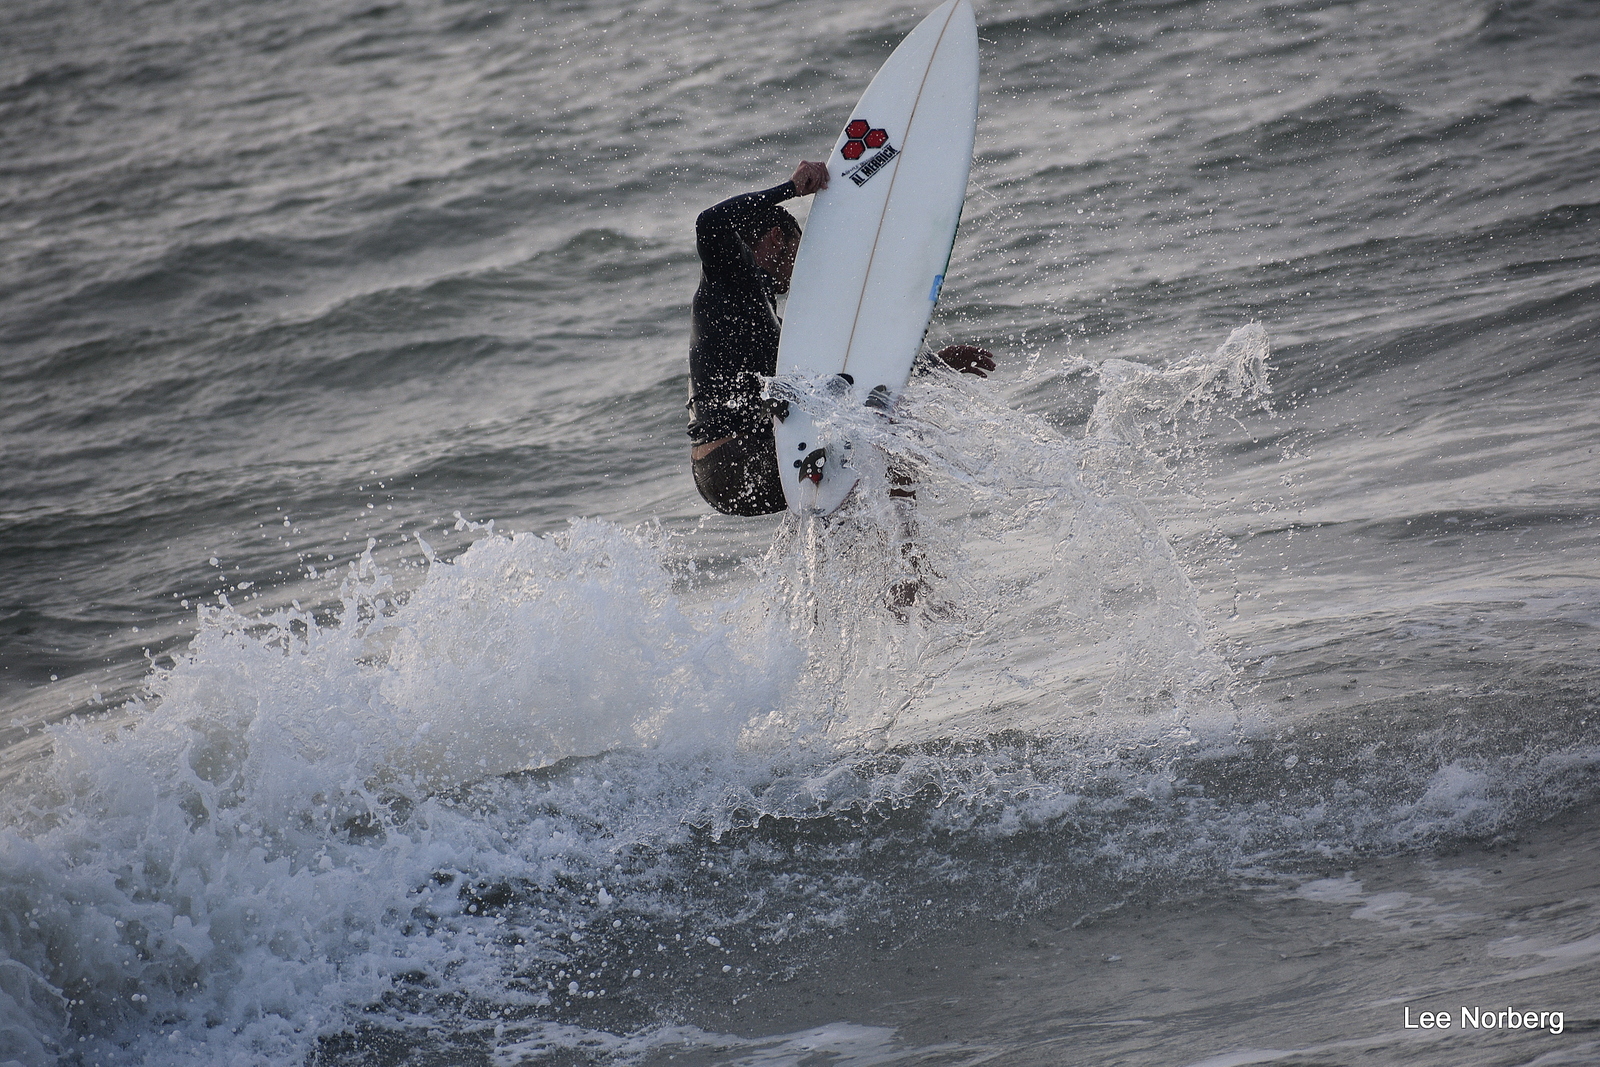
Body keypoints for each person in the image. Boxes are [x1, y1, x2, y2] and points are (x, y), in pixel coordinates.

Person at [687, 160, 995, 517]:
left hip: (727, 473)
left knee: (842, 479)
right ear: (776, 238)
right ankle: (911, 567)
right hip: (736, 460)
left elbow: (848, 377)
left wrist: (933, 365)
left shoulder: (763, 315)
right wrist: (790, 190)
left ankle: (844, 565)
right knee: (890, 441)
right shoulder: (729, 278)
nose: (803, 272)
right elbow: (708, 223)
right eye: (801, 253)